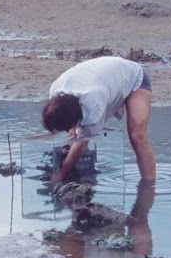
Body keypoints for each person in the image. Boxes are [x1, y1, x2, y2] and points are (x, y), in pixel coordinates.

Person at [42, 55, 156, 184]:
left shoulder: (93, 103)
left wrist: (61, 174)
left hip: (133, 77)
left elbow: (81, 141)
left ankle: (149, 185)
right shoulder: (55, 91)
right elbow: (72, 126)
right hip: (103, 76)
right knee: (74, 136)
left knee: (137, 136)